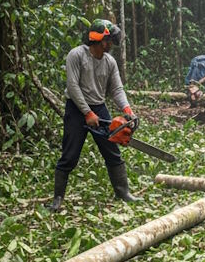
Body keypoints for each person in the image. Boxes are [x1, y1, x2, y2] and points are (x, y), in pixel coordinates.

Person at [48, 20, 140, 211]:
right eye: (108, 40)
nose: (110, 44)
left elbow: (116, 89)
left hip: (99, 107)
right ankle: (57, 198)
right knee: (70, 155)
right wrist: (87, 112)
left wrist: (127, 110)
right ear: (97, 38)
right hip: (76, 108)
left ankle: (123, 192)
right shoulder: (76, 55)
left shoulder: (109, 62)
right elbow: (73, 87)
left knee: (112, 151)